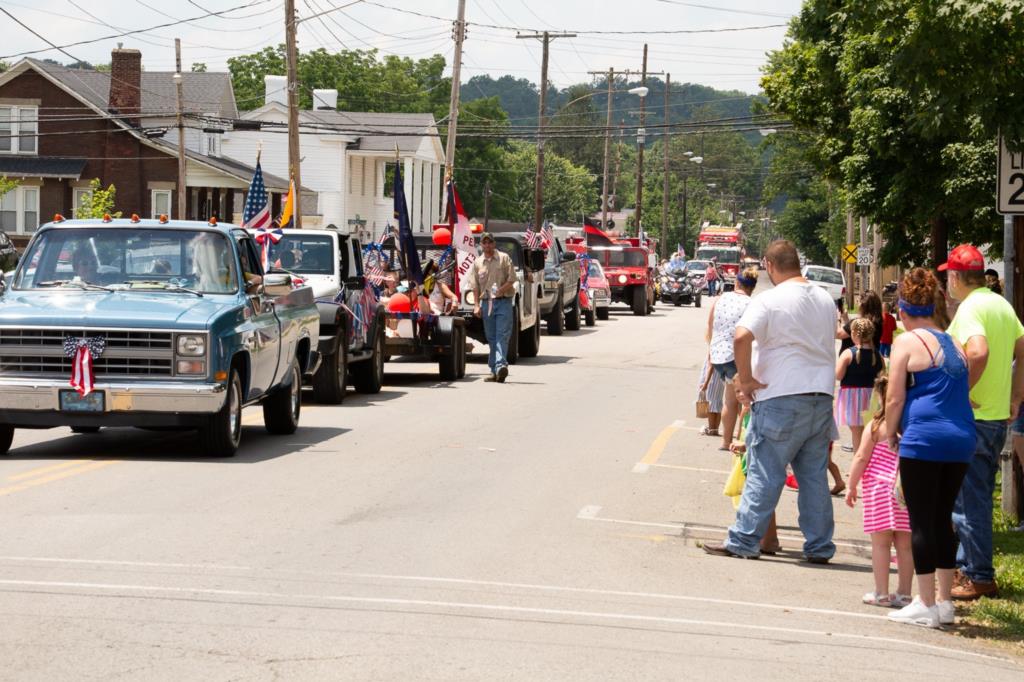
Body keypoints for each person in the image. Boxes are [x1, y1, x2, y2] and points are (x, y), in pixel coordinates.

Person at [702, 240, 838, 562]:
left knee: (765, 471)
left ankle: (744, 540)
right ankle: (820, 546)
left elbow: (741, 336)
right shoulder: (824, 298)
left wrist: (746, 380)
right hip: (820, 396)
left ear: (769, 264)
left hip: (781, 396)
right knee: (813, 477)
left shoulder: (769, 300)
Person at [885, 267, 976, 628]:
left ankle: (923, 603)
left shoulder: (907, 342)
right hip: (961, 439)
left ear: (904, 311)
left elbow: (894, 398)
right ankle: (944, 602)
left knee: (920, 520)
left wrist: (890, 433)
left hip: (924, 438)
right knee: (942, 519)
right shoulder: (953, 341)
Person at [942, 244, 1024, 600]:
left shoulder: (971, 307)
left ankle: (978, 575)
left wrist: (959, 392)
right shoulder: (1000, 304)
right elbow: (1022, 351)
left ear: (956, 277)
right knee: (974, 496)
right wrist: (1015, 396)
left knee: (968, 501)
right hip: (996, 418)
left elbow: (977, 352)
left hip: (972, 417)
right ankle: (968, 568)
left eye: (949, 274)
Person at [845, 374, 914, 608]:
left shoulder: (875, 427)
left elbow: (862, 457)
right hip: (905, 490)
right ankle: (904, 593)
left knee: (881, 544)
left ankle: (881, 592)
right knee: (905, 546)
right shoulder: (911, 427)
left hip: (879, 491)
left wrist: (851, 485)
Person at [706, 266, 759, 452]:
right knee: (745, 400)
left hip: (718, 355)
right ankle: (740, 440)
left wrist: (712, 348)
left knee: (730, 399)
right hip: (735, 355)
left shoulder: (721, 298)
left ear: (736, 282)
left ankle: (726, 441)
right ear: (752, 287)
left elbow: (710, 324)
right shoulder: (751, 304)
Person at [470, 232, 517, 383]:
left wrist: (500, 291)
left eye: (490, 242)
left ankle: (501, 365)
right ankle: (494, 370)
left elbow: (512, 279)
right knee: (491, 337)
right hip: (486, 304)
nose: (487, 245)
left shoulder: (504, 258)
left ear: (494, 244)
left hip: (503, 302)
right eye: (484, 243)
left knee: (502, 335)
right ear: (481, 245)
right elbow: (475, 286)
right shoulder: (478, 263)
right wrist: (476, 305)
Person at [835, 318, 883, 460]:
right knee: (868, 432)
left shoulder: (848, 353)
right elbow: (882, 377)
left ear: (854, 334)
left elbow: (838, 375)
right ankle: (868, 460)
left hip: (852, 397)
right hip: (871, 397)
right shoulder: (877, 355)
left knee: (856, 433)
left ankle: (859, 461)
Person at [698, 353, 725, 437]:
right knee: (717, 402)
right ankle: (715, 429)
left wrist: (705, 383)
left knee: (711, 403)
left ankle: (711, 429)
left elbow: (710, 366)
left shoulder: (713, 346)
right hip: (720, 377)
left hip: (712, 378)